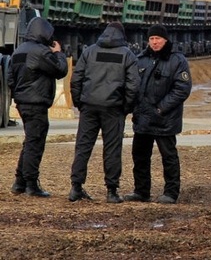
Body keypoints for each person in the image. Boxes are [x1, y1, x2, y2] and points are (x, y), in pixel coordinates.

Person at [68, 21, 140, 203]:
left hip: (89, 107)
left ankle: (76, 187)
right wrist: (126, 108)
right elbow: (133, 85)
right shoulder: (127, 55)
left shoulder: (90, 51)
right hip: (113, 109)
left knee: (83, 147)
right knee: (112, 149)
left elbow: (76, 79)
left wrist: (80, 102)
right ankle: (112, 191)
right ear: (122, 35)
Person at [124, 24, 191, 204]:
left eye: (158, 39)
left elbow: (182, 89)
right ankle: (141, 190)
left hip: (165, 119)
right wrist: (133, 108)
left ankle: (170, 192)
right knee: (139, 156)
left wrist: (161, 108)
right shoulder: (141, 59)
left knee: (168, 156)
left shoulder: (177, 60)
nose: (154, 42)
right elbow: (133, 86)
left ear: (165, 40)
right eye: (151, 39)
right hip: (143, 118)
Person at [8, 16, 68, 197]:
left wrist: (18, 96)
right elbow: (60, 70)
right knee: (36, 143)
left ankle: (20, 182)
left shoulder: (18, 51)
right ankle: (31, 185)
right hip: (36, 103)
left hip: (22, 102)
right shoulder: (41, 52)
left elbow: (10, 78)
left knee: (30, 141)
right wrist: (58, 53)